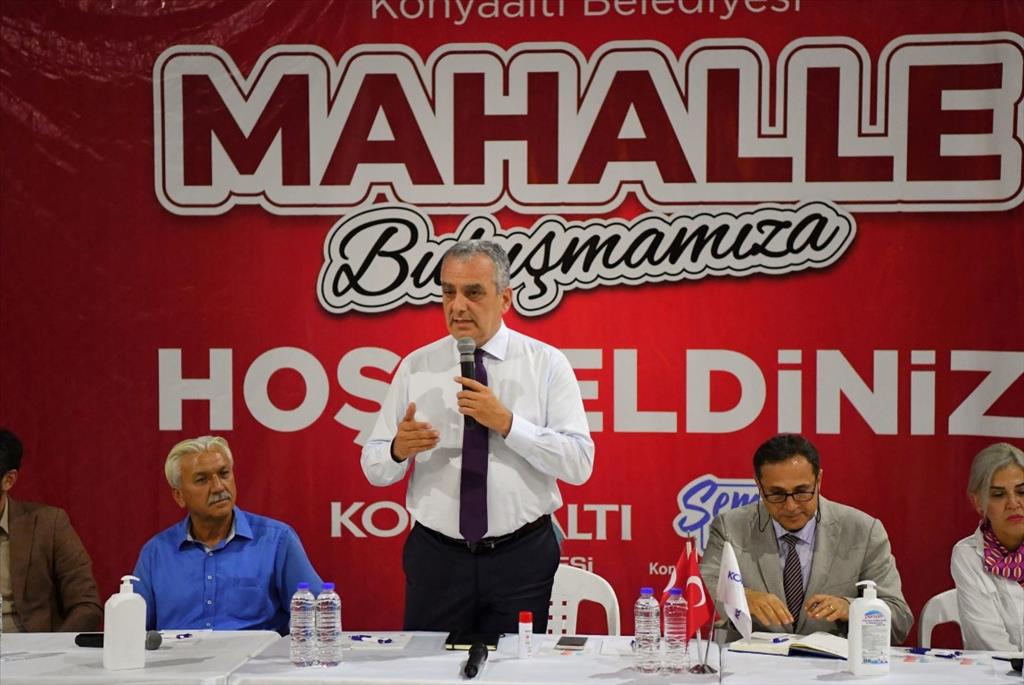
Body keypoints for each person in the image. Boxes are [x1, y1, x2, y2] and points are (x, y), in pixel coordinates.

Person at [361, 239, 594, 634]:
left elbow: (578, 463)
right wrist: (398, 450)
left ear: (505, 299)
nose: (457, 306)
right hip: (437, 558)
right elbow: (374, 467)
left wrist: (508, 423)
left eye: (473, 293)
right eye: (448, 292)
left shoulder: (546, 364)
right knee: (427, 666)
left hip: (521, 558)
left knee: (514, 666)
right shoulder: (417, 366)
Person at [701, 433, 912, 642]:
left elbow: (899, 620)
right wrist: (741, 597)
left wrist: (852, 608)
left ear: (819, 480)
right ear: (759, 486)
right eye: (777, 494)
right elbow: (700, 596)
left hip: (833, 662)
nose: (791, 506)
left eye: (802, 492)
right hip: (753, 660)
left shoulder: (863, 532)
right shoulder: (730, 528)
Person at [133, 436, 322, 634]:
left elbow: (316, 615)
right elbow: (132, 631)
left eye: (224, 474)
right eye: (202, 480)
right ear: (179, 496)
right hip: (179, 654)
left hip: (255, 654)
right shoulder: (156, 553)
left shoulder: (276, 541)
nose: (218, 487)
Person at [0, 429, 102, 632]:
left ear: (9, 480)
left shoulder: (48, 524)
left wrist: (53, 647)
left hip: (34, 647)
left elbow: (87, 605)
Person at [951, 442, 1024, 652]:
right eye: (998, 495)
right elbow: (990, 645)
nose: (1013, 503)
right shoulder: (967, 556)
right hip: (999, 670)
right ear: (977, 502)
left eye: (1022, 491)